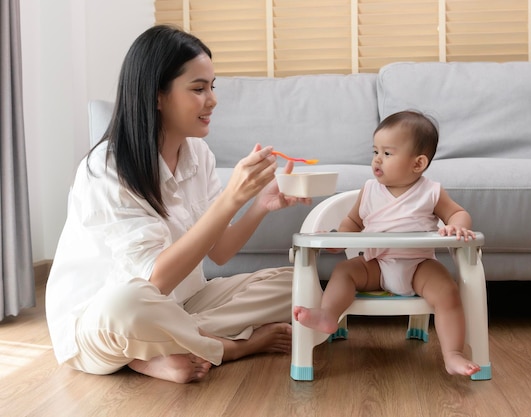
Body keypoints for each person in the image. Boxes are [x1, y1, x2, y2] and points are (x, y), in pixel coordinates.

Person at [45, 25, 311, 384]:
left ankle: (157, 348)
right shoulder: (106, 169)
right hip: (104, 316)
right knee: (128, 305)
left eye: (212, 87)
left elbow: (219, 252)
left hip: (181, 304)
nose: (212, 100)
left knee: (299, 283)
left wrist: (259, 204)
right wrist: (232, 195)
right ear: (157, 95)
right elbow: (154, 282)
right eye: (198, 89)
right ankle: (229, 347)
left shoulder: (197, 153)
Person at [293, 110, 481, 376]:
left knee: (448, 292)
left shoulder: (431, 192)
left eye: (388, 153)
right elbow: (352, 223)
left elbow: (458, 213)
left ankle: (452, 354)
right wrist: (338, 239)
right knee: (344, 271)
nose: (377, 159)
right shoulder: (369, 190)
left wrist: (456, 225)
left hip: (419, 266)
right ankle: (328, 314)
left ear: (417, 164)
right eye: (375, 151)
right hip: (377, 264)